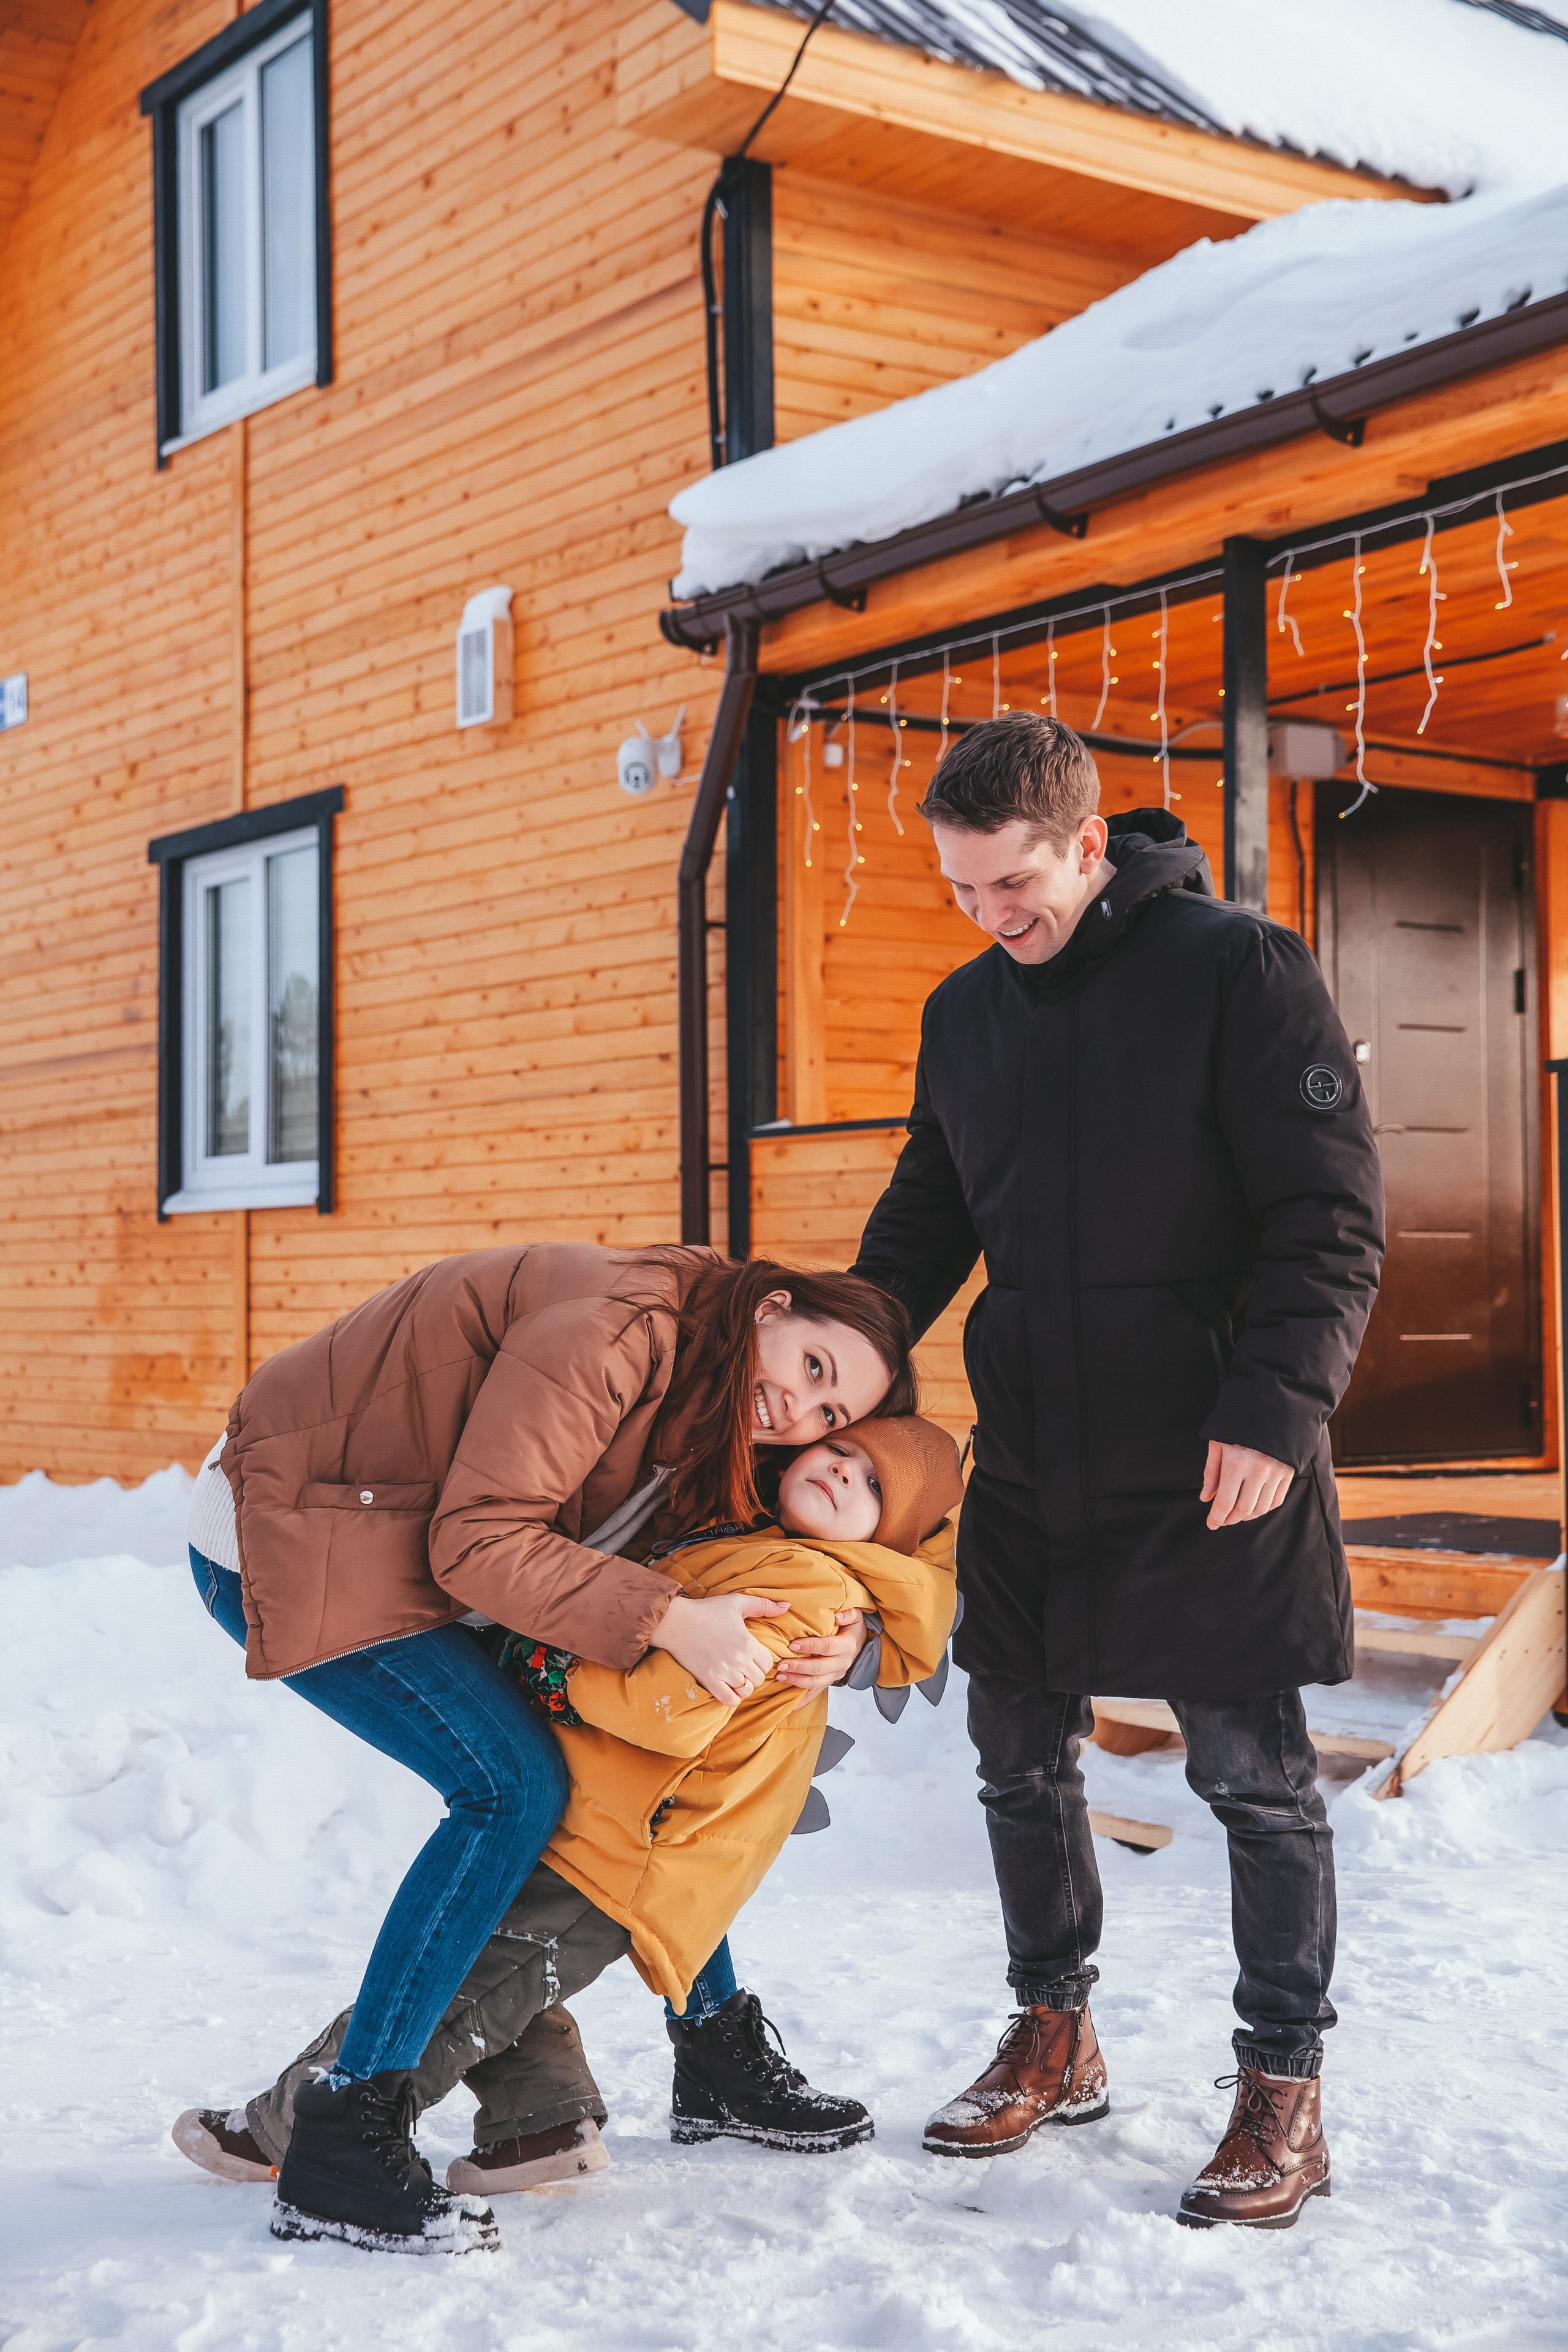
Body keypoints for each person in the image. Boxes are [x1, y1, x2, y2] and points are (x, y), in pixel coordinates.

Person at [852, 714, 1383, 2229]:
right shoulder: (964, 1013)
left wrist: (1273, 1407)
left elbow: (1328, 1221)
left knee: (1251, 1781)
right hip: (1031, 1456)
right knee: (1015, 1761)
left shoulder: (1236, 971)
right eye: (960, 891)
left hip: (1211, 1448)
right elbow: (919, 1220)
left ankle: (1282, 2085)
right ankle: (1054, 2028)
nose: (987, 918)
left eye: (1011, 885)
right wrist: (832, 1353)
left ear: (1088, 846)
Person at [181, 1243, 917, 2249]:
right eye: (814, 1368)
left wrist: (849, 1633)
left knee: (624, 1783)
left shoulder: (715, 1376)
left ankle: (607, 2086)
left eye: (831, 1415)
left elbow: (787, 1534)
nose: (801, 1410)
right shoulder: (617, 1332)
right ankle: (347, 2136)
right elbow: (480, 1541)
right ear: (774, 1309)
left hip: (415, 1543)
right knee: (513, 1793)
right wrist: (666, 1619)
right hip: (297, 1531)